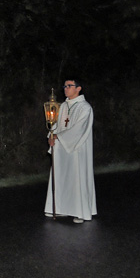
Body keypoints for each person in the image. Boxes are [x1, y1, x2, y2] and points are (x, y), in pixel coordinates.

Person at [44, 78, 97, 223]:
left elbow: (79, 129)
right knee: (61, 178)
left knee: (76, 179)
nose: (66, 88)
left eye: (69, 86)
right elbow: (55, 124)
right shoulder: (64, 106)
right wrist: (51, 135)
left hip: (77, 149)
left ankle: (80, 212)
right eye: (65, 86)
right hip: (61, 148)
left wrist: (58, 136)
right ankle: (61, 209)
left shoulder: (85, 108)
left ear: (78, 88)